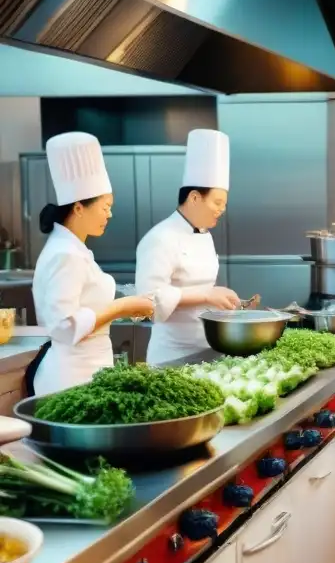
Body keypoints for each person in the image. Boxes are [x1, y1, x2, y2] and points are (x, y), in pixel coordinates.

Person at [27, 132, 153, 396]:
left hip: (89, 373)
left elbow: (85, 305)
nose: (110, 214)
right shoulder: (65, 254)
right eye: (105, 207)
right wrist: (122, 307)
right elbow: (64, 326)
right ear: (79, 208)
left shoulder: (74, 249)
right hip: (70, 379)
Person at [135, 129, 240, 365]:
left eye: (224, 203)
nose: (221, 209)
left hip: (208, 349)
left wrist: (218, 299)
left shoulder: (205, 235)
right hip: (172, 356)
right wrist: (206, 295)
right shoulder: (160, 238)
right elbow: (148, 299)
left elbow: (201, 288)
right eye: (217, 202)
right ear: (194, 197)